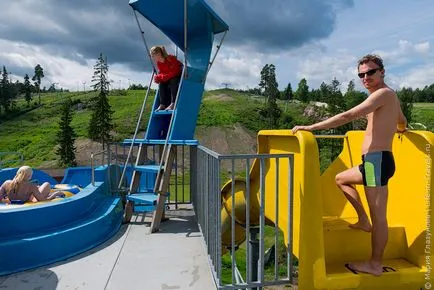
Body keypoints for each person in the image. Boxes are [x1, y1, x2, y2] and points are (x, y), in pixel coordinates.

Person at [291, 54, 407, 276]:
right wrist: (400, 130)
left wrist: (311, 127)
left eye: (370, 72)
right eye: (361, 74)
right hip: (374, 162)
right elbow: (402, 120)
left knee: (380, 217)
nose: (365, 77)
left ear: (382, 72)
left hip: (377, 161)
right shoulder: (390, 97)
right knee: (341, 179)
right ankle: (362, 220)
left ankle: (375, 264)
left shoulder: (382, 94)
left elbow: (349, 115)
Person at [0, 166, 65, 204]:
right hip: (27, 202)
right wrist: (56, 194)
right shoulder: (31, 186)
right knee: (46, 184)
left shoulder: (6, 183)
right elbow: (42, 200)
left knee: (37, 188)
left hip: (14, 201)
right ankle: (51, 193)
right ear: (29, 176)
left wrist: (6, 201)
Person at [150, 46, 183, 111]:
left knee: (173, 80)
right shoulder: (159, 63)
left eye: (153, 56)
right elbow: (162, 72)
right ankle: (162, 104)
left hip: (178, 75)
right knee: (161, 83)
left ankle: (173, 103)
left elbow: (175, 71)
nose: (152, 58)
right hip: (169, 76)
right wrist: (158, 77)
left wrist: (163, 77)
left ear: (158, 54)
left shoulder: (170, 58)